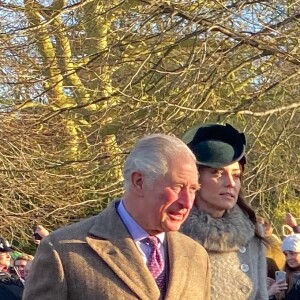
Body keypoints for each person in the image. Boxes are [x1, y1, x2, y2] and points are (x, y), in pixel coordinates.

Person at [23, 133, 211, 300]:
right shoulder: (62, 250)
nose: (187, 202)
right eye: (177, 187)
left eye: (193, 189)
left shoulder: (196, 256)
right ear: (139, 182)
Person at [180, 123, 268, 299]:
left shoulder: (252, 232)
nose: (230, 183)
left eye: (236, 175)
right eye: (218, 173)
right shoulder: (173, 234)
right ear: (195, 179)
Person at [268, 234, 300, 300]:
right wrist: (270, 293)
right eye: (286, 254)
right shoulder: (286, 277)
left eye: (292, 253)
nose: (288, 258)